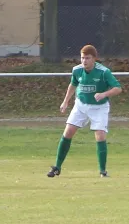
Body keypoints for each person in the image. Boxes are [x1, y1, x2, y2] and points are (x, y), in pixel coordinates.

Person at [47, 44, 122, 178]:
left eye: (87, 58)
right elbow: (73, 84)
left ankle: (103, 171)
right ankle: (57, 167)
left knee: (100, 135)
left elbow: (118, 88)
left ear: (94, 59)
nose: (84, 61)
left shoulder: (104, 72)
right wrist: (65, 101)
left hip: (99, 107)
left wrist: (104, 94)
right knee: (68, 132)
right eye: (82, 58)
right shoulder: (77, 70)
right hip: (81, 105)